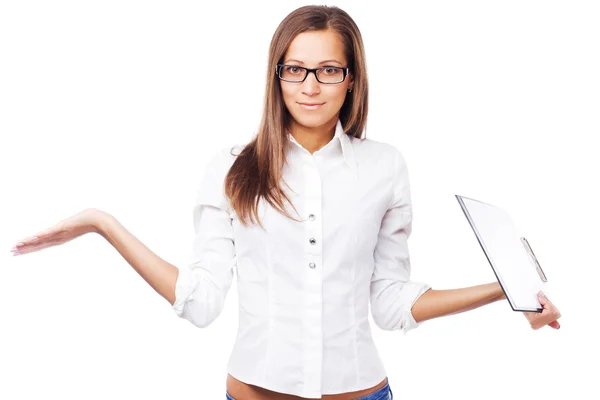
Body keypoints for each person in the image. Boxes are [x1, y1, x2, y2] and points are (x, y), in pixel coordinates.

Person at [10, 5, 561, 400]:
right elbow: (200, 302)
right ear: (277, 76)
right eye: (295, 69)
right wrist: (102, 224)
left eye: (328, 70)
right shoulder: (232, 168)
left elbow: (391, 303)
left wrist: (506, 292)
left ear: (351, 79)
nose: (310, 86)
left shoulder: (385, 166)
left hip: (361, 392)